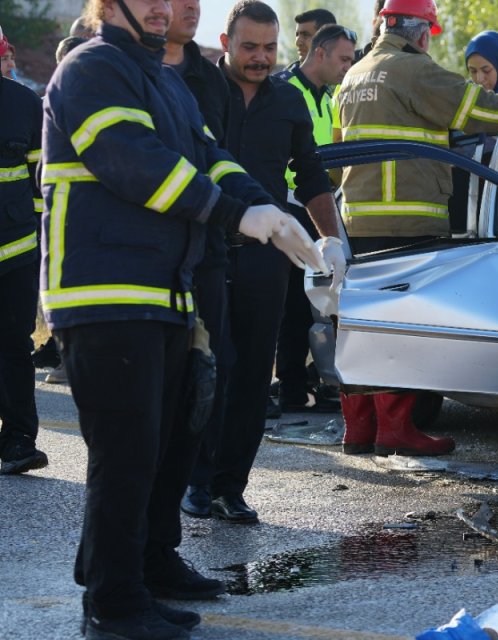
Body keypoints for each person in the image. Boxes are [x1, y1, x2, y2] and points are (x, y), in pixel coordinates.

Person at [42, 0, 321, 637]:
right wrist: (235, 217)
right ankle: (113, 605)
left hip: (165, 292)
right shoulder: (91, 69)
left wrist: (274, 213)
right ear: (108, 6)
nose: (165, 7)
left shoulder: (163, 79)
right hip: (103, 293)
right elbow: (136, 164)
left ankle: (150, 562)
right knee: (127, 453)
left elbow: (212, 158)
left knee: (170, 440)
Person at [333, 0, 498, 457]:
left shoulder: (354, 75)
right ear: (421, 32)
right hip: (407, 219)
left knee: (359, 326)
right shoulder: (415, 71)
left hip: (359, 219)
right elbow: (482, 109)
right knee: (402, 328)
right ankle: (397, 430)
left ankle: (359, 429)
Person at [187, 0, 345, 526]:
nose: (260, 58)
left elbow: (312, 176)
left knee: (254, 377)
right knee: (211, 371)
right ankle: (196, 480)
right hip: (204, 253)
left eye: (269, 48)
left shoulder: (288, 102)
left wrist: (335, 241)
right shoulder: (195, 89)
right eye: (248, 47)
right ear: (226, 42)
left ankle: (232, 487)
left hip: (264, 260)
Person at [162, 0, 239, 524]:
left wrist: (255, 211)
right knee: (157, 388)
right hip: (144, 258)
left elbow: (216, 156)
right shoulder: (102, 70)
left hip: (205, 250)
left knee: (213, 369)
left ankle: (197, 482)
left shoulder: (207, 81)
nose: (191, 6)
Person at [272, 23, 355, 414]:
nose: (346, 67)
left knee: (314, 303)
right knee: (288, 304)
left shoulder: (330, 95)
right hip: (287, 208)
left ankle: (304, 381)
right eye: (343, 59)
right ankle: (287, 387)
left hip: (318, 206)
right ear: (318, 53)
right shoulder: (284, 90)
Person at [0, 22, 46, 476]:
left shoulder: (23, 104)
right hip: (19, 242)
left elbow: (41, 179)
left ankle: (18, 441)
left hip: (16, 250)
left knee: (15, 347)